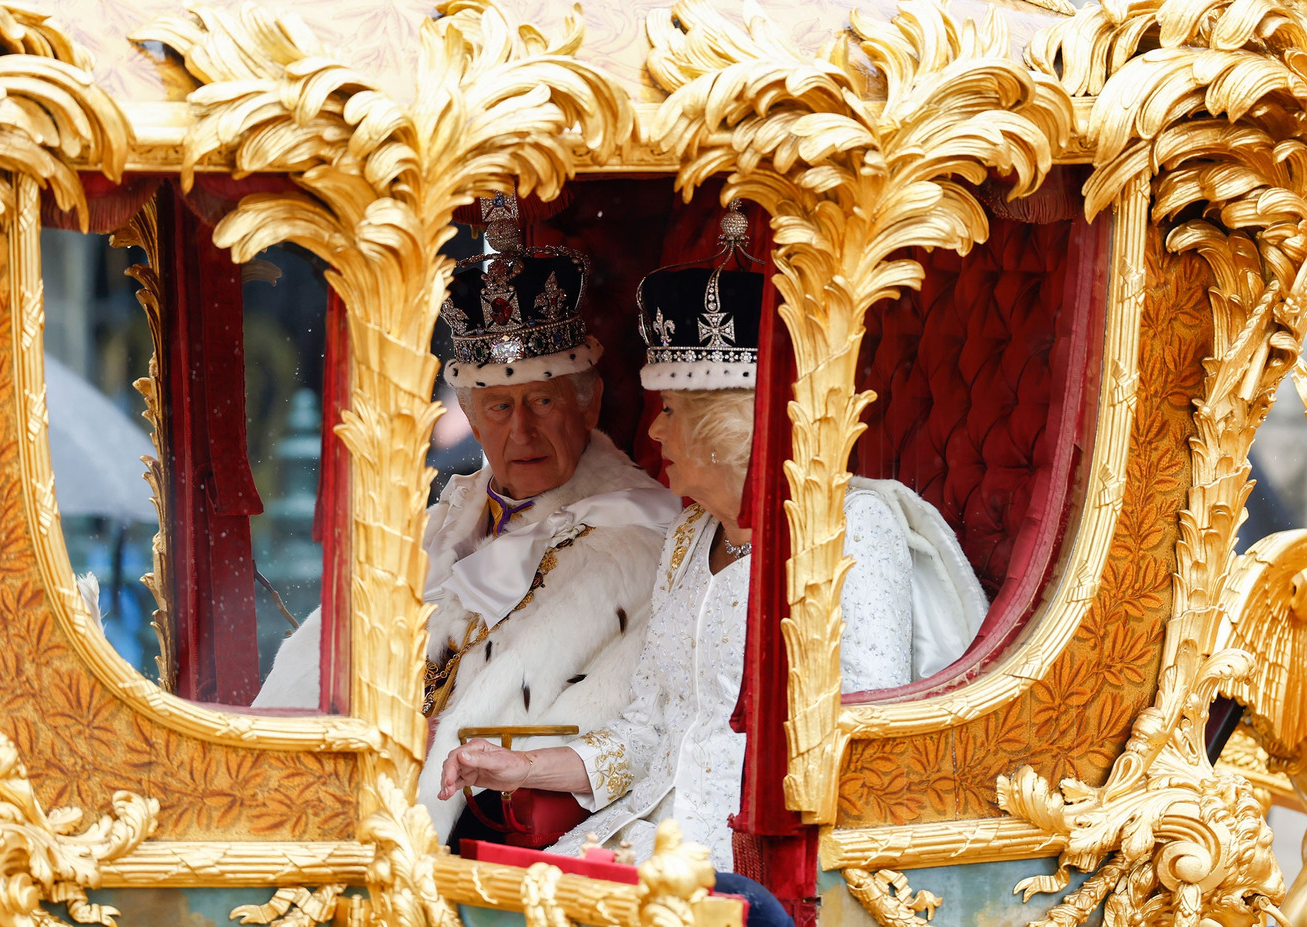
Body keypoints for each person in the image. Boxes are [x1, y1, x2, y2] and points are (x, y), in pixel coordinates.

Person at [438, 206, 987, 920]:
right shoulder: (688, 536)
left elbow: (860, 745)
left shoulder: (850, 524)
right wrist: (524, 766)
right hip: (645, 842)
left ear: (725, 426)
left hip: (763, 867)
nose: (655, 430)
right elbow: (647, 731)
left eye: (670, 409)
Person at [256, 198, 681, 847]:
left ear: (588, 402)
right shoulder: (439, 523)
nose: (522, 431)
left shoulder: (647, 542)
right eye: (499, 407)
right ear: (471, 419)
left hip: (486, 838)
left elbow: (639, 737)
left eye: (542, 400)